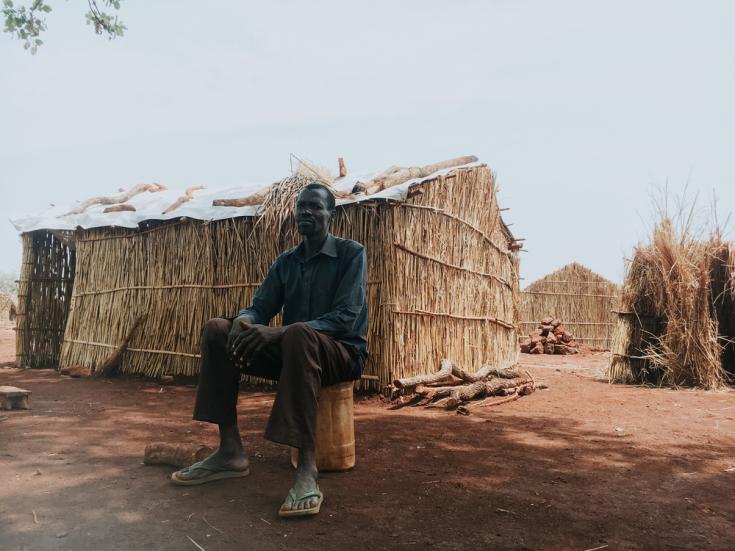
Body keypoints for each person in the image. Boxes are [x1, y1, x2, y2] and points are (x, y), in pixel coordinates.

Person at [171, 182, 367, 518]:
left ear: (330, 214)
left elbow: (345, 318)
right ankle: (230, 452)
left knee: (300, 334)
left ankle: (307, 470)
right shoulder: (287, 261)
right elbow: (259, 307)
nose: (306, 212)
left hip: (342, 352)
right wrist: (244, 323)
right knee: (217, 330)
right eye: (301, 206)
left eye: (315, 207)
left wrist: (278, 332)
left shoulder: (351, 254)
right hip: (295, 350)